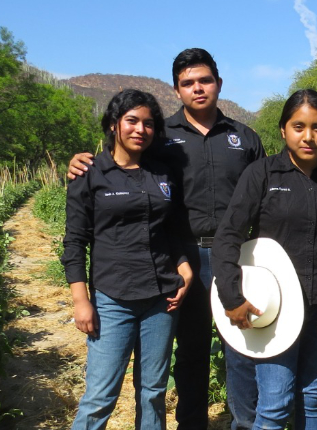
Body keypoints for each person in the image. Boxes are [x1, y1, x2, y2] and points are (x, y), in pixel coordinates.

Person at [68, 48, 266, 430]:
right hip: (182, 258)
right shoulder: (161, 137)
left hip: (234, 257)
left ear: (218, 83)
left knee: (241, 349)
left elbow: (265, 195)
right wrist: (82, 161)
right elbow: (123, 164)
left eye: (204, 80)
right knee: (190, 352)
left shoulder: (245, 138)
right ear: (177, 90)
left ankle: (245, 423)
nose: (198, 88)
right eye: (188, 83)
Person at [212, 89, 317, 430]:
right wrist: (232, 296)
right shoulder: (262, 175)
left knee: (313, 397)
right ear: (283, 130)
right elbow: (227, 237)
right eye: (299, 126)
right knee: (275, 405)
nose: (308, 136)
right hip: (275, 310)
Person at [62, 89, 195, 430]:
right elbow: (75, 242)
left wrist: (183, 265)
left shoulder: (163, 174)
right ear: (112, 124)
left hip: (161, 298)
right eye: (132, 121)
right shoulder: (90, 173)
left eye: (148, 123)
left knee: (153, 391)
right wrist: (81, 300)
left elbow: (171, 228)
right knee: (100, 396)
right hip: (113, 298)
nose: (140, 129)